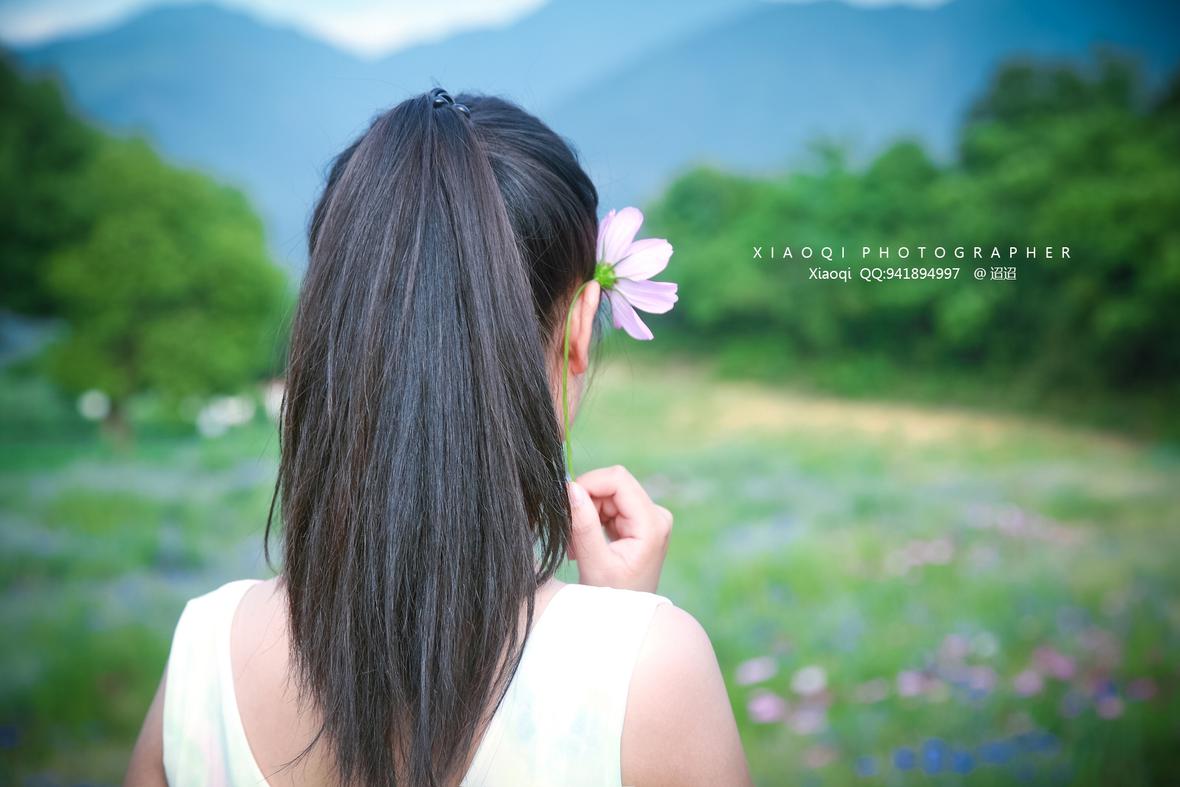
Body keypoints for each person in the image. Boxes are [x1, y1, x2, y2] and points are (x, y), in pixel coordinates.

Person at [124, 88, 751, 787]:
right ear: (580, 328)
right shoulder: (654, 673)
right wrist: (620, 636)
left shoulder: (201, 656)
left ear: (330, 323)